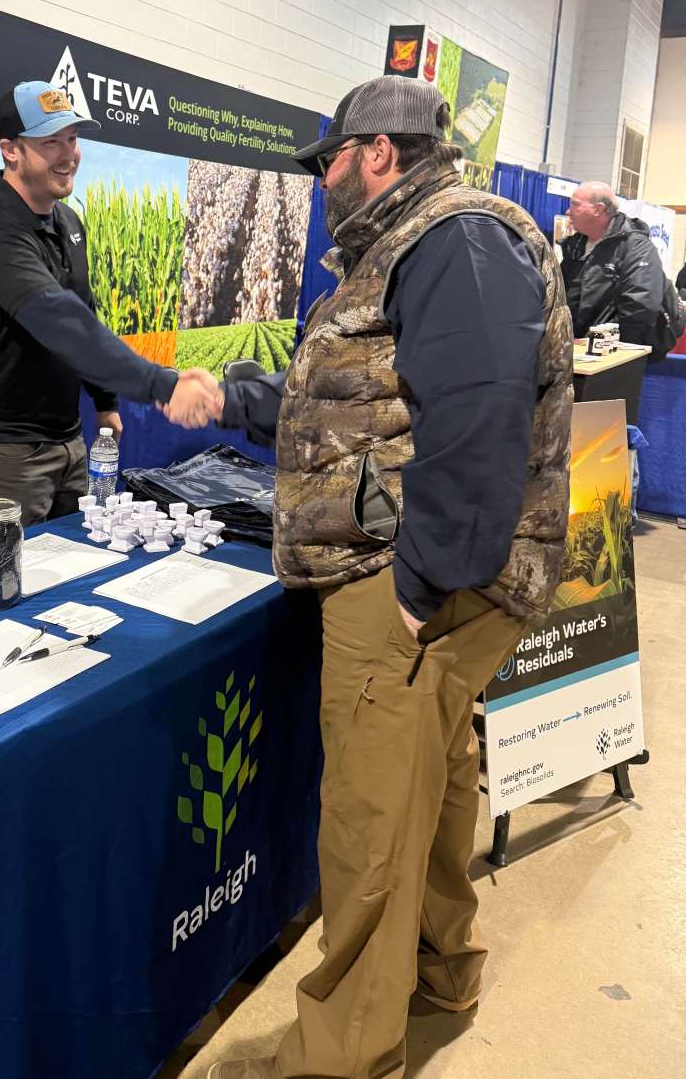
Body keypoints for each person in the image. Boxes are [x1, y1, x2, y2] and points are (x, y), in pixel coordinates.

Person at [166, 75, 573, 1079]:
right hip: (432, 579)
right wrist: (240, 396)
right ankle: (442, 973)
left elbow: (475, 434)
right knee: (429, 788)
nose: (322, 182)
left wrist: (411, 596)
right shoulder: (415, 245)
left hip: (414, 583)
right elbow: (364, 404)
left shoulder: (457, 239)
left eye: (329, 160)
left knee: (369, 818)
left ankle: (340, 1056)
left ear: (377, 153)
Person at [0, 80, 218, 522]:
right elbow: (61, 321)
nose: (68, 153)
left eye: (72, 139)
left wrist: (105, 404)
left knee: (70, 570)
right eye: (50, 142)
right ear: (11, 151)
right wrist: (163, 386)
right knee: (7, 580)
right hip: (3, 451)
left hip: (66, 441)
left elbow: (85, 311)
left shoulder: (67, 221)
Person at [560, 182, 665, 347]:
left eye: (575, 205)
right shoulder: (574, 246)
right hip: (575, 351)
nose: (568, 211)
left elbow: (640, 307)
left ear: (598, 209)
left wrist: (606, 348)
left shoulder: (635, 247)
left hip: (609, 357)